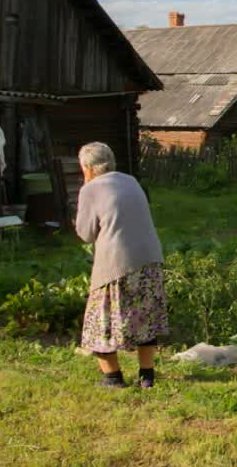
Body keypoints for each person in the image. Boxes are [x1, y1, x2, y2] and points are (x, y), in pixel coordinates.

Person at [74, 142, 168, 388]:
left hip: (117, 264)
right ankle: (147, 377)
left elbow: (85, 234)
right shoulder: (131, 181)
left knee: (100, 322)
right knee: (145, 318)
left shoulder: (90, 189)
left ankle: (113, 379)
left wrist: (86, 189)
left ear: (88, 168)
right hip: (150, 259)